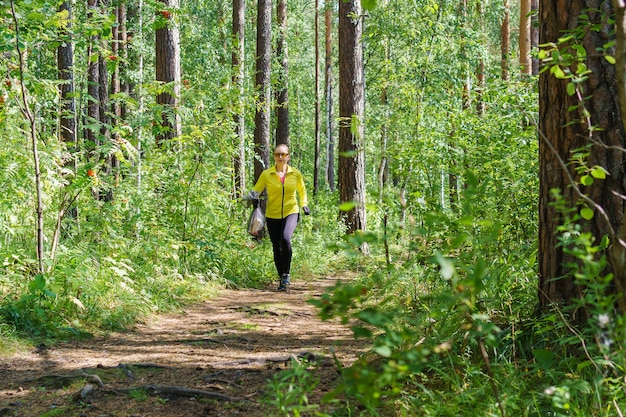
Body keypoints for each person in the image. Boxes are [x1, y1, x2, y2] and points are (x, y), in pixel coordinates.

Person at [244, 144, 310, 291]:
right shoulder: (267, 174)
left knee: (285, 238)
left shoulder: (295, 174)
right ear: (274, 156)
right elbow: (256, 190)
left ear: (288, 156)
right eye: (277, 154)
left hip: (291, 211)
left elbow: (302, 191)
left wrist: (304, 204)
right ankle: (282, 277)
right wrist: (248, 199)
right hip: (272, 214)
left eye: (283, 154)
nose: (280, 157)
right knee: (276, 245)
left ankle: (286, 274)